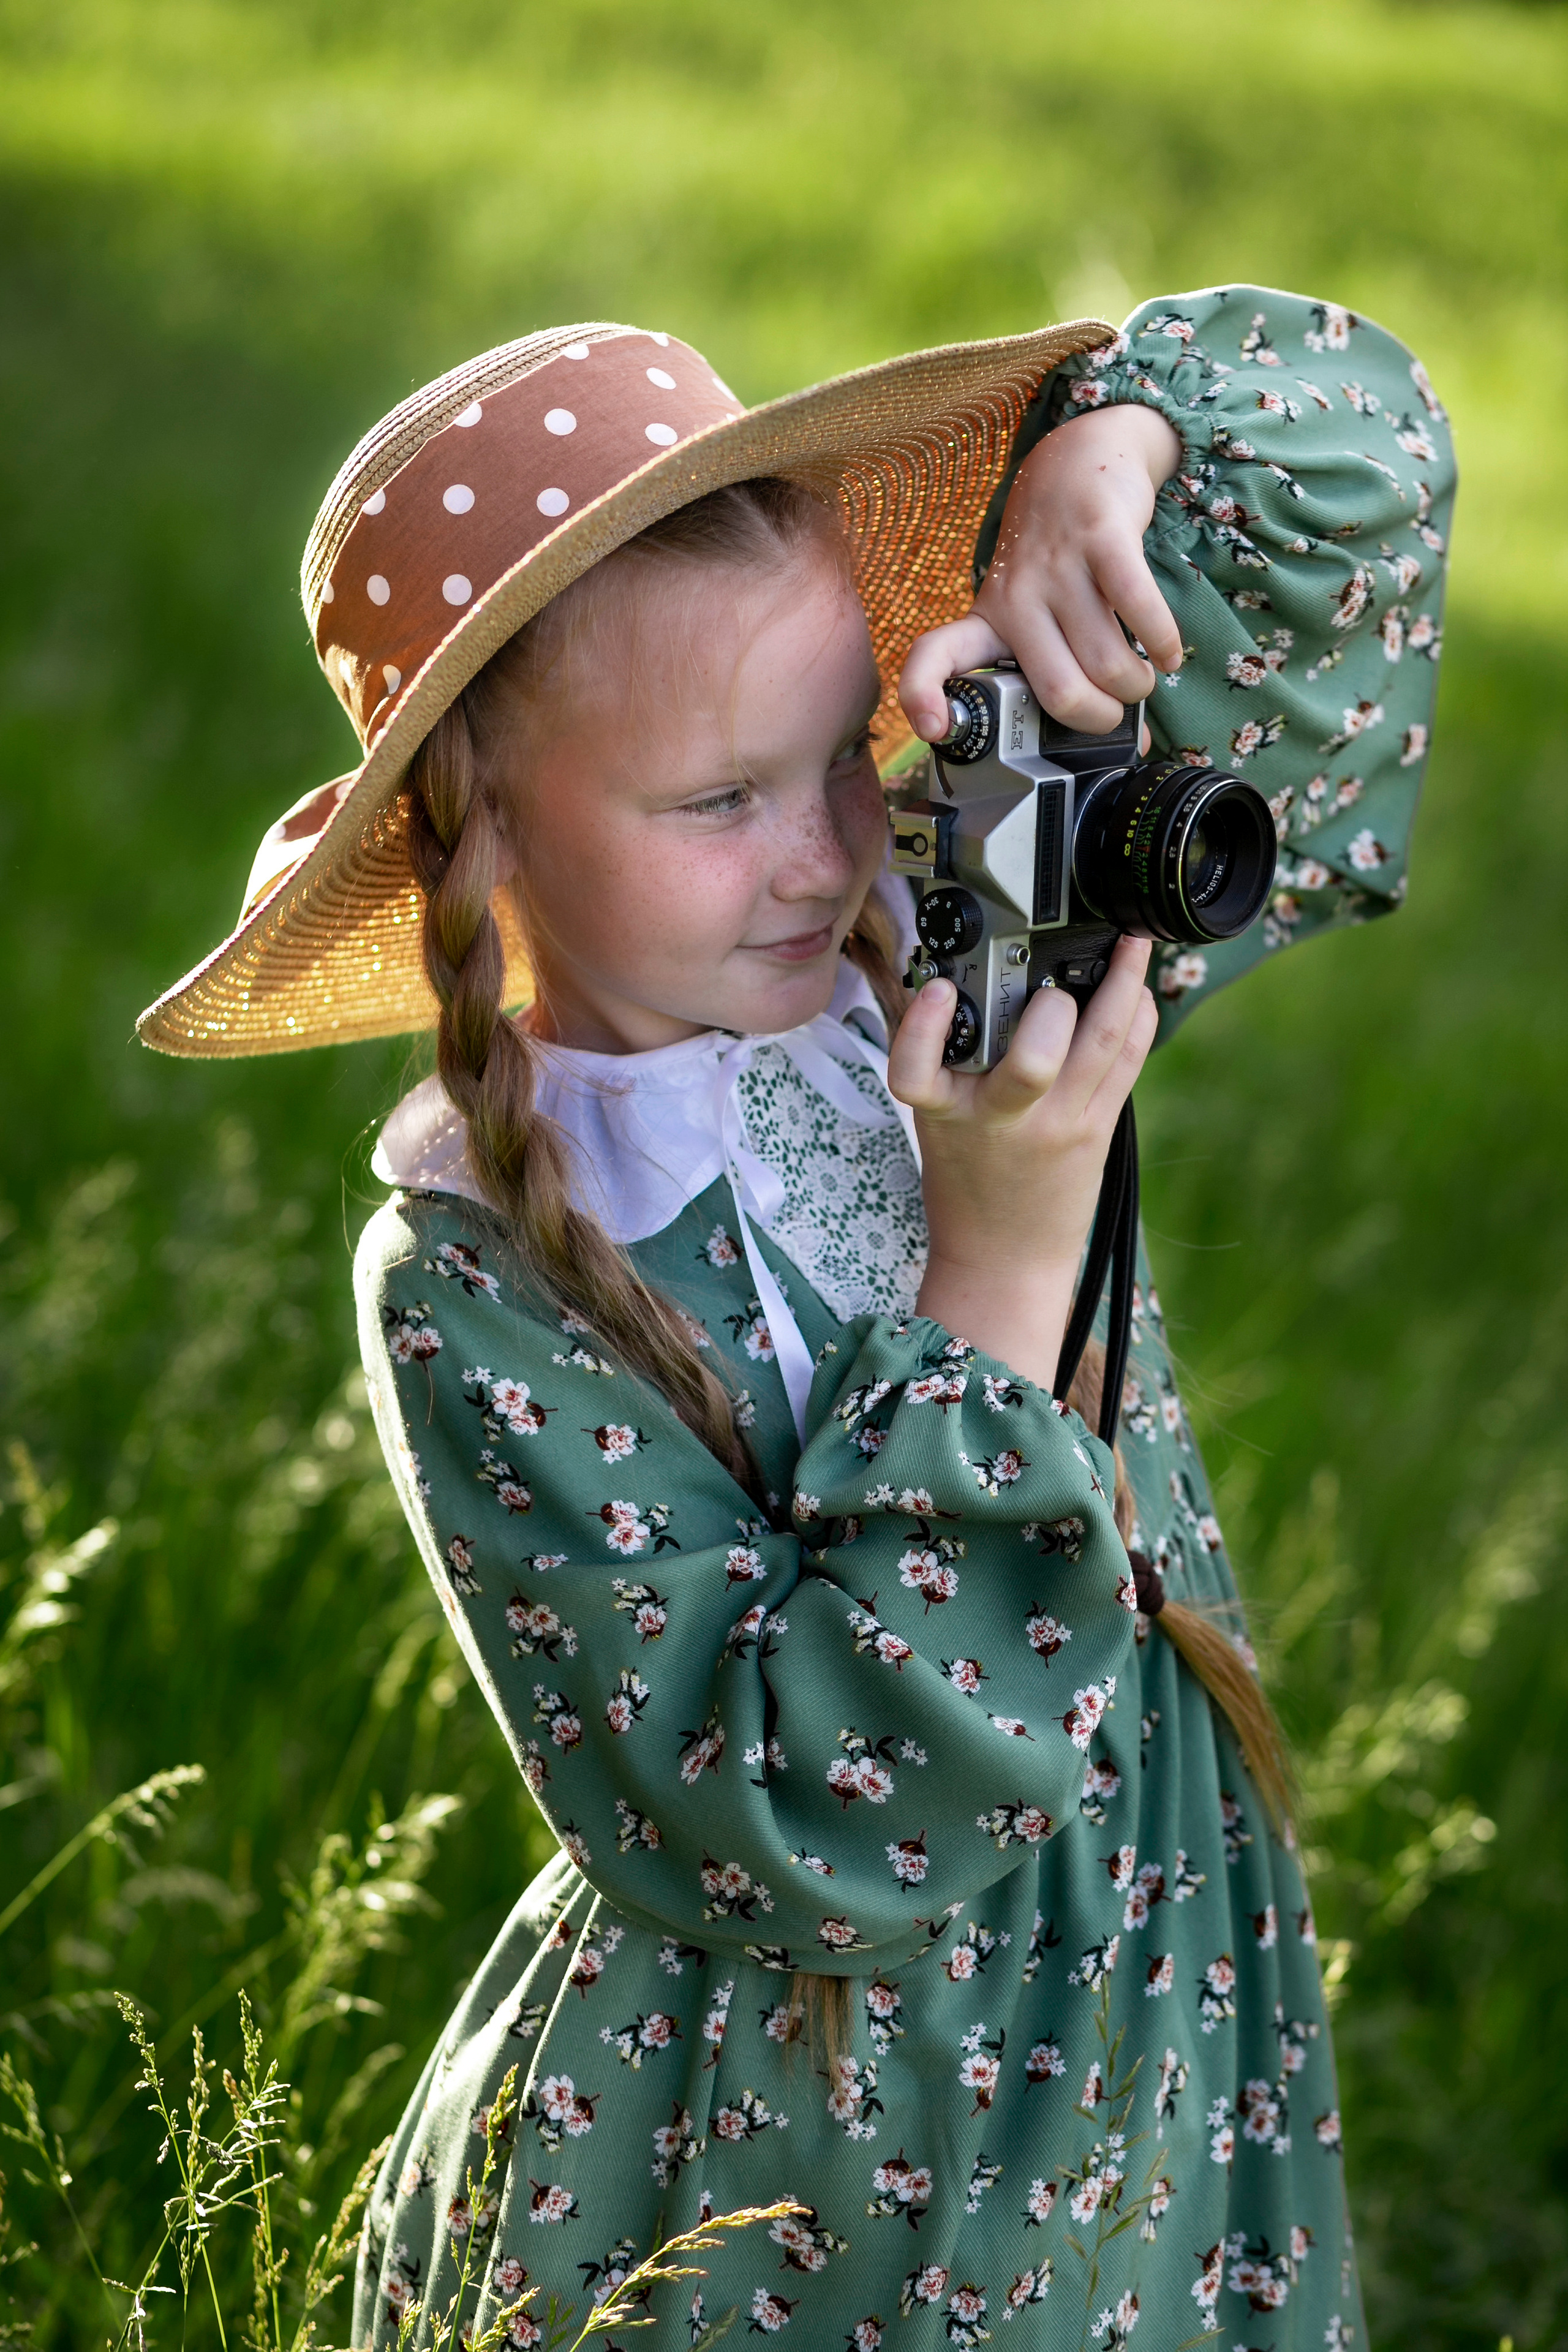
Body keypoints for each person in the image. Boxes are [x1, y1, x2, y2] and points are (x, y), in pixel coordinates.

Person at [140, 287, 1455, 2350]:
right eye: (713, 801)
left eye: (847, 747)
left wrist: (1116, 453)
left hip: (1147, 1968)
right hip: (813, 2149)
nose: (826, 842)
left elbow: (1355, 520)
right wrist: (1002, 1273)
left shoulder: (956, 924)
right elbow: (797, 1818)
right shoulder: (480, 1274)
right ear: (482, 848)